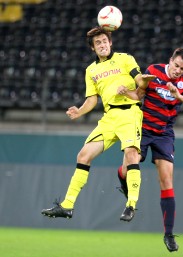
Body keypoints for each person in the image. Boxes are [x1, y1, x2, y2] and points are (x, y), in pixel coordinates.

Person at [41, 27, 154, 222]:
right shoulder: (91, 70)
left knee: (131, 154)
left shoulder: (125, 58)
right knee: (83, 155)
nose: (102, 45)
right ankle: (67, 205)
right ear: (93, 48)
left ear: (110, 42)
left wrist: (143, 81)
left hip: (129, 113)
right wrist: (80, 111)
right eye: (98, 43)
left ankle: (131, 205)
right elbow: (92, 100)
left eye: (104, 41)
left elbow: (140, 83)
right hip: (109, 117)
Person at [116, 48, 183, 251]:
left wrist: (178, 95)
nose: (179, 71)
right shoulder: (153, 71)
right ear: (170, 60)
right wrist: (125, 92)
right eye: (177, 66)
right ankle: (124, 182)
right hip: (143, 129)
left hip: (164, 133)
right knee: (128, 169)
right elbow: (139, 95)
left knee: (166, 179)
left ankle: (169, 235)